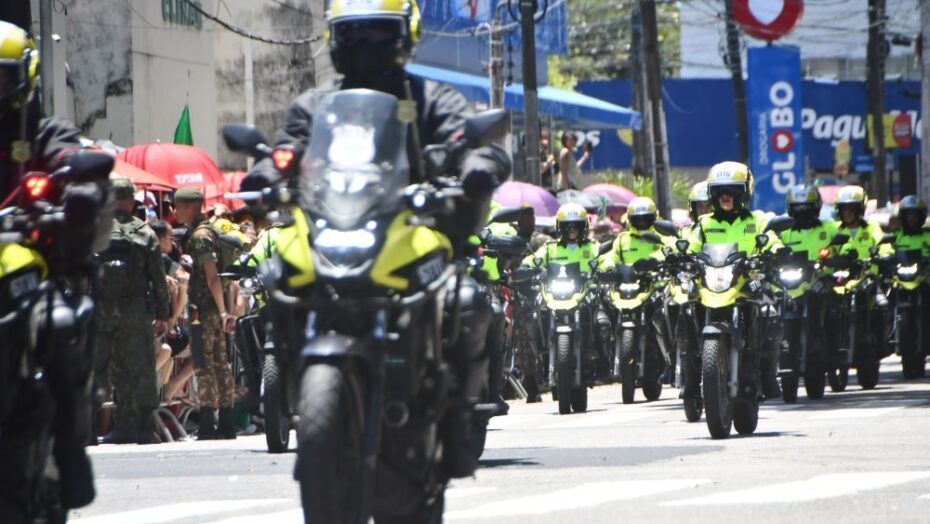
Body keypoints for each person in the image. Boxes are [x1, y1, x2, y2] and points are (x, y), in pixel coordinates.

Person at [241, 0, 510, 485]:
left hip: (411, 228)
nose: (365, 47)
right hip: (332, 228)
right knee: (275, 276)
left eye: (377, 35)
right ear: (335, 40)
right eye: (354, 36)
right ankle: (282, 386)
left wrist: (476, 168)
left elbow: (472, 142)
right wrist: (265, 174)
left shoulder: (429, 98)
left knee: (470, 301)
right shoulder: (315, 105)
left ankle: (462, 414)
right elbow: (286, 150)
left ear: (403, 36)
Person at [686, 161, 783, 399]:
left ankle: (767, 374)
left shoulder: (757, 220)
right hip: (712, 284)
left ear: (744, 192)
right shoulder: (704, 224)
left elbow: (772, 239)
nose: (726, 196)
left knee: (771, 314)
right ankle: (689, 375)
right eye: (720, 191)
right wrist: (681, 258)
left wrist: (777, 251)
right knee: (684, 311)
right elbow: (690, 248)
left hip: (747, 282)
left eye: (732, 191)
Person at [94, 177, 171, 444]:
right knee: (142, 368)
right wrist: (163, 313)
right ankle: (145, 427)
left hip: (103, 309)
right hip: (135, 309)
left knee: (109, 368)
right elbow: (158, 278)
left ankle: (116, 426)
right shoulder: (144, 232)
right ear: (130, 200)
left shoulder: (97, 229)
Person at [174, 187, 238, 440]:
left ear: (189, 206)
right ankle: (227, 423)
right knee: (221, 364)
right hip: (214, 307)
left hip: (205, 309)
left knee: (205, 364)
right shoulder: (209, 230)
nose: (175, 211)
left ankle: (208, 424)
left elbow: (212, 277)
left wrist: (224, 313)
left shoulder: (200, 237)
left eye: (178, 206)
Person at [597, 197, 676, 381]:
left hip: (654, 287)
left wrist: (657, 260)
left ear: (653, 218)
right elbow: (610, 257)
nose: (641, 222)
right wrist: (608, 268)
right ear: (630, 219)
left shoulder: (661, 236)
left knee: (662, 316)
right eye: (637, 218)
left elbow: (670, 249)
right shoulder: (622, 239)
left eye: (645, 218)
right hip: (627, 286)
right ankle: (605, 358)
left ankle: (670, 359)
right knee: (603, 316)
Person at [522, 203, 601, 384]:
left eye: (576, 226)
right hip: (556, 293)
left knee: (601, 321)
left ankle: (598, 357)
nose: (572, 230)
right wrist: (527, 267)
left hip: (583, 293)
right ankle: (542, 355)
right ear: (560, 227)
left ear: (584, 227)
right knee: (534, 317)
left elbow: (604, 260)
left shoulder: (593, 247)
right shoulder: (551, 248)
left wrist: (607, 269)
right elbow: (533, 260)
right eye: (568, 226)